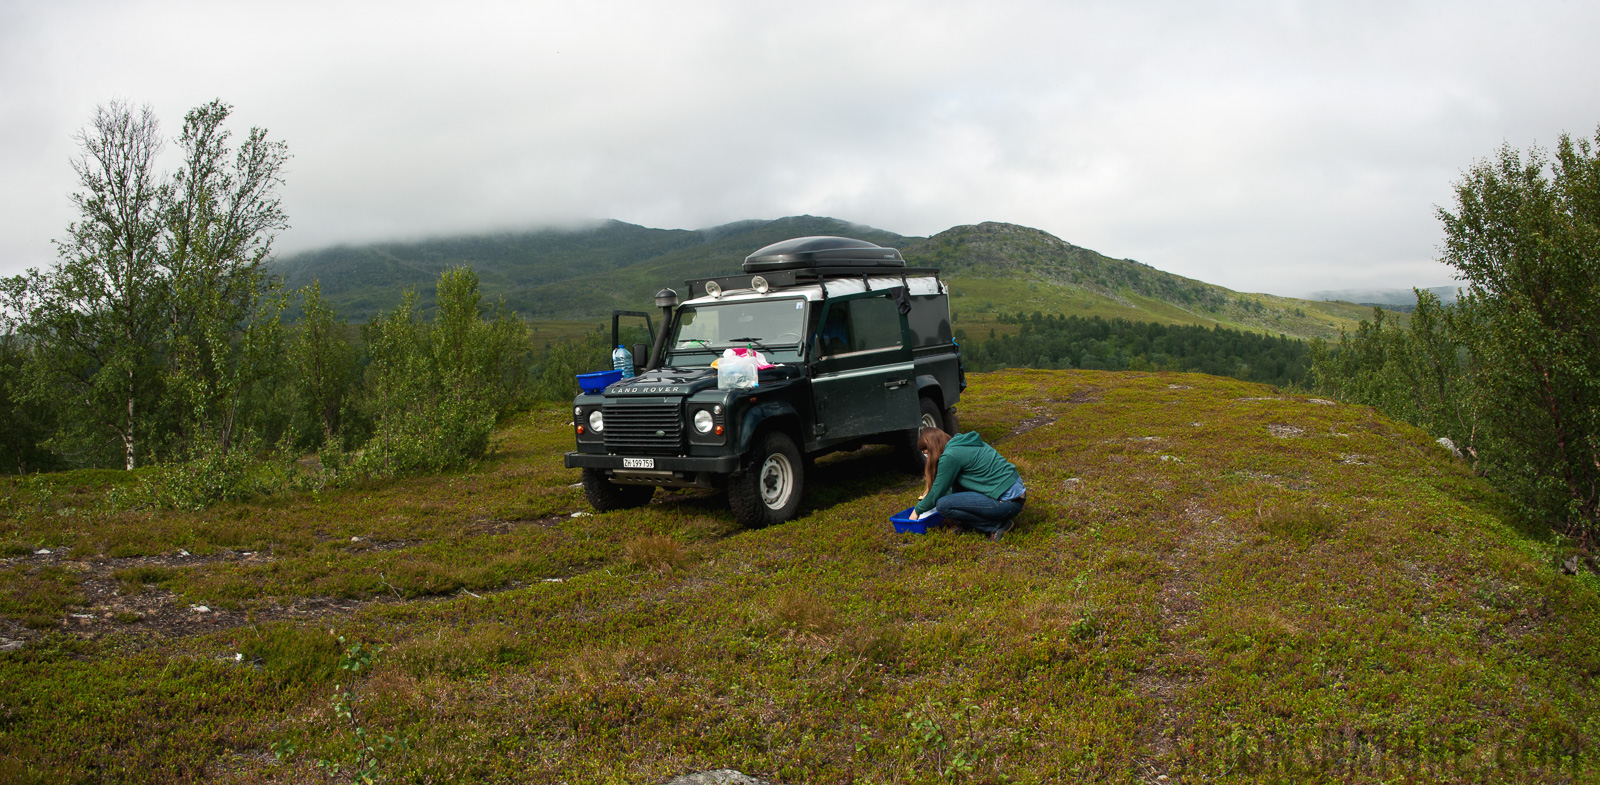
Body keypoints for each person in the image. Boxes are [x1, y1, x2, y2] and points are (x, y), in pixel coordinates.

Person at [910, 427, 1026, 541]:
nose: (929, 457)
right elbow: (945, 489)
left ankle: (997, 526)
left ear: (933, 447)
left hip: (1008, 503)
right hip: (1016, 497)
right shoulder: (962, 444)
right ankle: (966, 525)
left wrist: (916, 511)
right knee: (953, 486)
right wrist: (933, 496)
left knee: (943, 505)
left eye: (928, 453)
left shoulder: (950, 456)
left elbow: (936, 493)